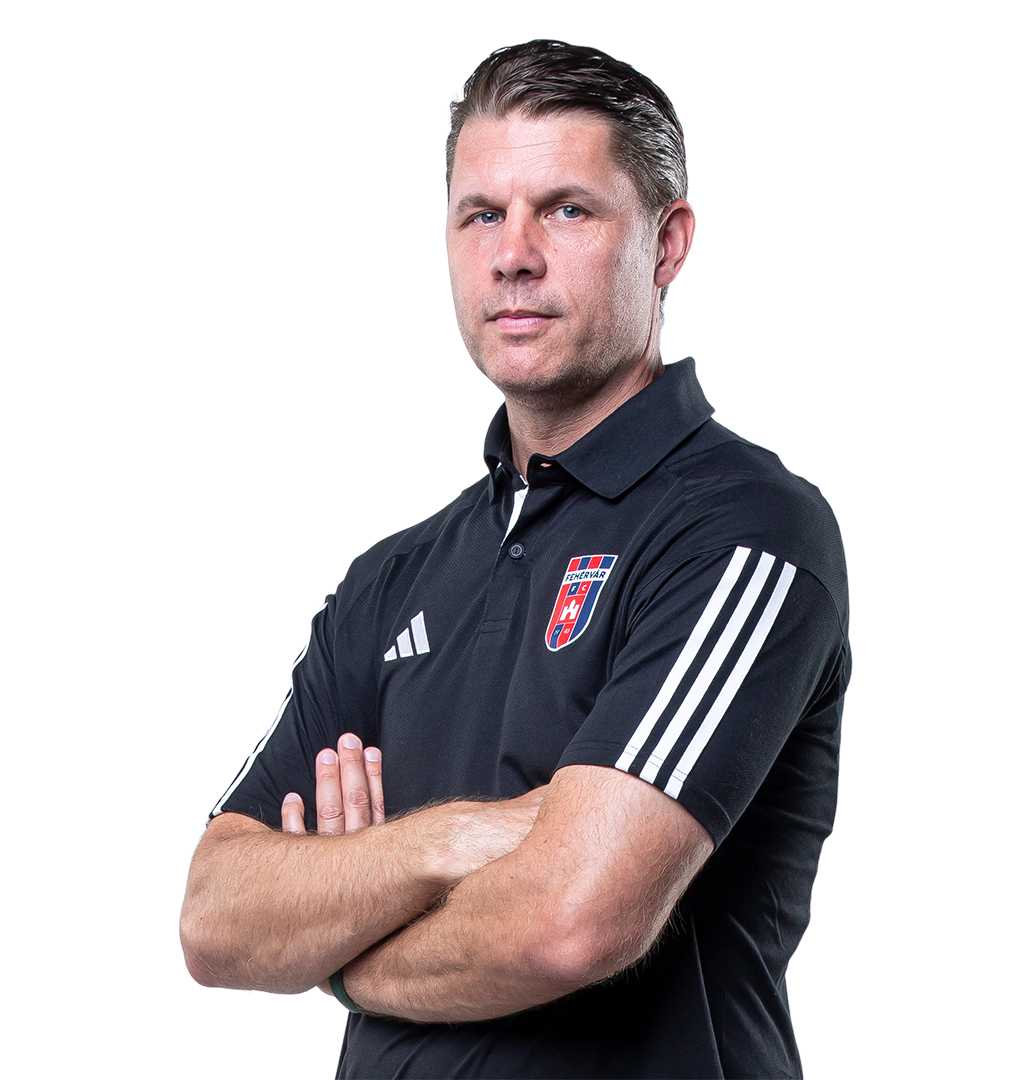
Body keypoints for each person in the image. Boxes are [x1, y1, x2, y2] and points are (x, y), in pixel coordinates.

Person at [180, 40, 850, 1080]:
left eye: (567, 210)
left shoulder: (741, 530)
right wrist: (448, 842)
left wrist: (339, 944)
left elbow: (572, 922)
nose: (514, 255)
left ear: (667, 244)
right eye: (482, 215)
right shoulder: (394, 577)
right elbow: (215, 921)